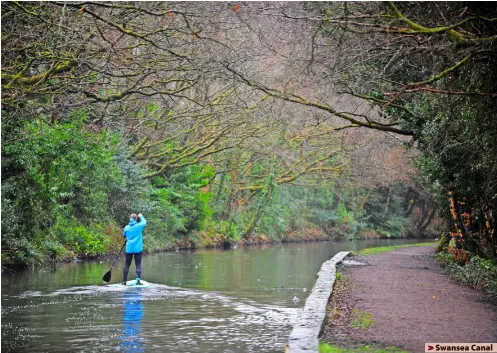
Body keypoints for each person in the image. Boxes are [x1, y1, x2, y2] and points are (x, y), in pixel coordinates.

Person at [122, 213, 147, 285]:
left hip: (129, 249)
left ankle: (124, 282)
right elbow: (144, 222)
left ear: (130, 219)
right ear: (136, 219)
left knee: (126, 265)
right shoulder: (139, 226)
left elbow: (124, 235)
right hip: (138, 250)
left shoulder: (126, 227)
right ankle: (138, 281)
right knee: (138, 265)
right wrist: (141, 216)